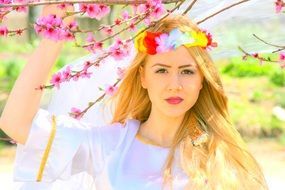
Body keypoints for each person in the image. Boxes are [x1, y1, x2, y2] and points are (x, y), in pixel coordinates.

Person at [0, 5, 269, 190]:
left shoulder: (224, 154)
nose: (174, 85)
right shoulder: (111, 144)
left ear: (202, 80)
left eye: (187, 72)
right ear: (142, 77)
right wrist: (53, 37)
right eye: (161, 70)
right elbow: (17, 125)